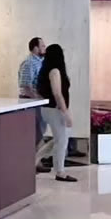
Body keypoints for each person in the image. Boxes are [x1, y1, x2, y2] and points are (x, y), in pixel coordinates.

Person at [36, 44, 77, 182]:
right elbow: (58, 94)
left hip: (49, 109)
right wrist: (66, 113)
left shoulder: (46, 69)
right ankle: (60, 172)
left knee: (59, 140)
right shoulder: (55, 71)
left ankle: (34, 159)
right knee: (62, 141)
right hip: (55, 109)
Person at [19, 37, 47, 147]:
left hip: (38, 101)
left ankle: (38, 157)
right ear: (35, 48)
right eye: (43, 46)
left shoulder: (40, 62)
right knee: (36, 130)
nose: (45, 48)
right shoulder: (29, 63)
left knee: (40, 129)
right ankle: (36, 159)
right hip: (31, 102)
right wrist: (38, 99)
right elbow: (26, 86)